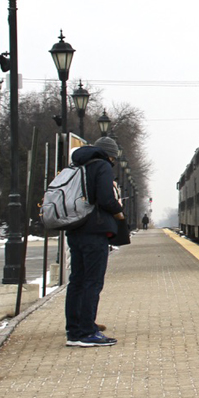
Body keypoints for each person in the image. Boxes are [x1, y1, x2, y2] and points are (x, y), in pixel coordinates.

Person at [64, 136, 125, 347]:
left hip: (75, 230)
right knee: (93, 281)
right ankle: (88, 331)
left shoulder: (76, 165)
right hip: (95, 230)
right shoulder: (102, 166)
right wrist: (119, 211)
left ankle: (73, 331)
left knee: (77, 280)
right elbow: (105, 199)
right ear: (109, 155)